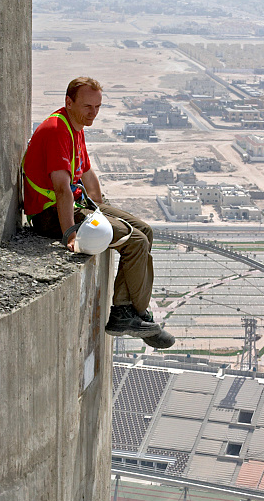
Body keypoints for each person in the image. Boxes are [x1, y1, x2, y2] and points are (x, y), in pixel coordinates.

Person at [22, 76, 175, 349]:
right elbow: (60, 189)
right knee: (136, 241)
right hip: (50, 214)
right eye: (87, 106)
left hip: (77, 203)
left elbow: (86, 173)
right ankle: (129, 313)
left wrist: (101, 206)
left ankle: (129, 311)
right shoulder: (57, 130)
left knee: (145, 230)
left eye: (97, 107)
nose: (93, 113)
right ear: (68, 102)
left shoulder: (74, 126)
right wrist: (70, 232)